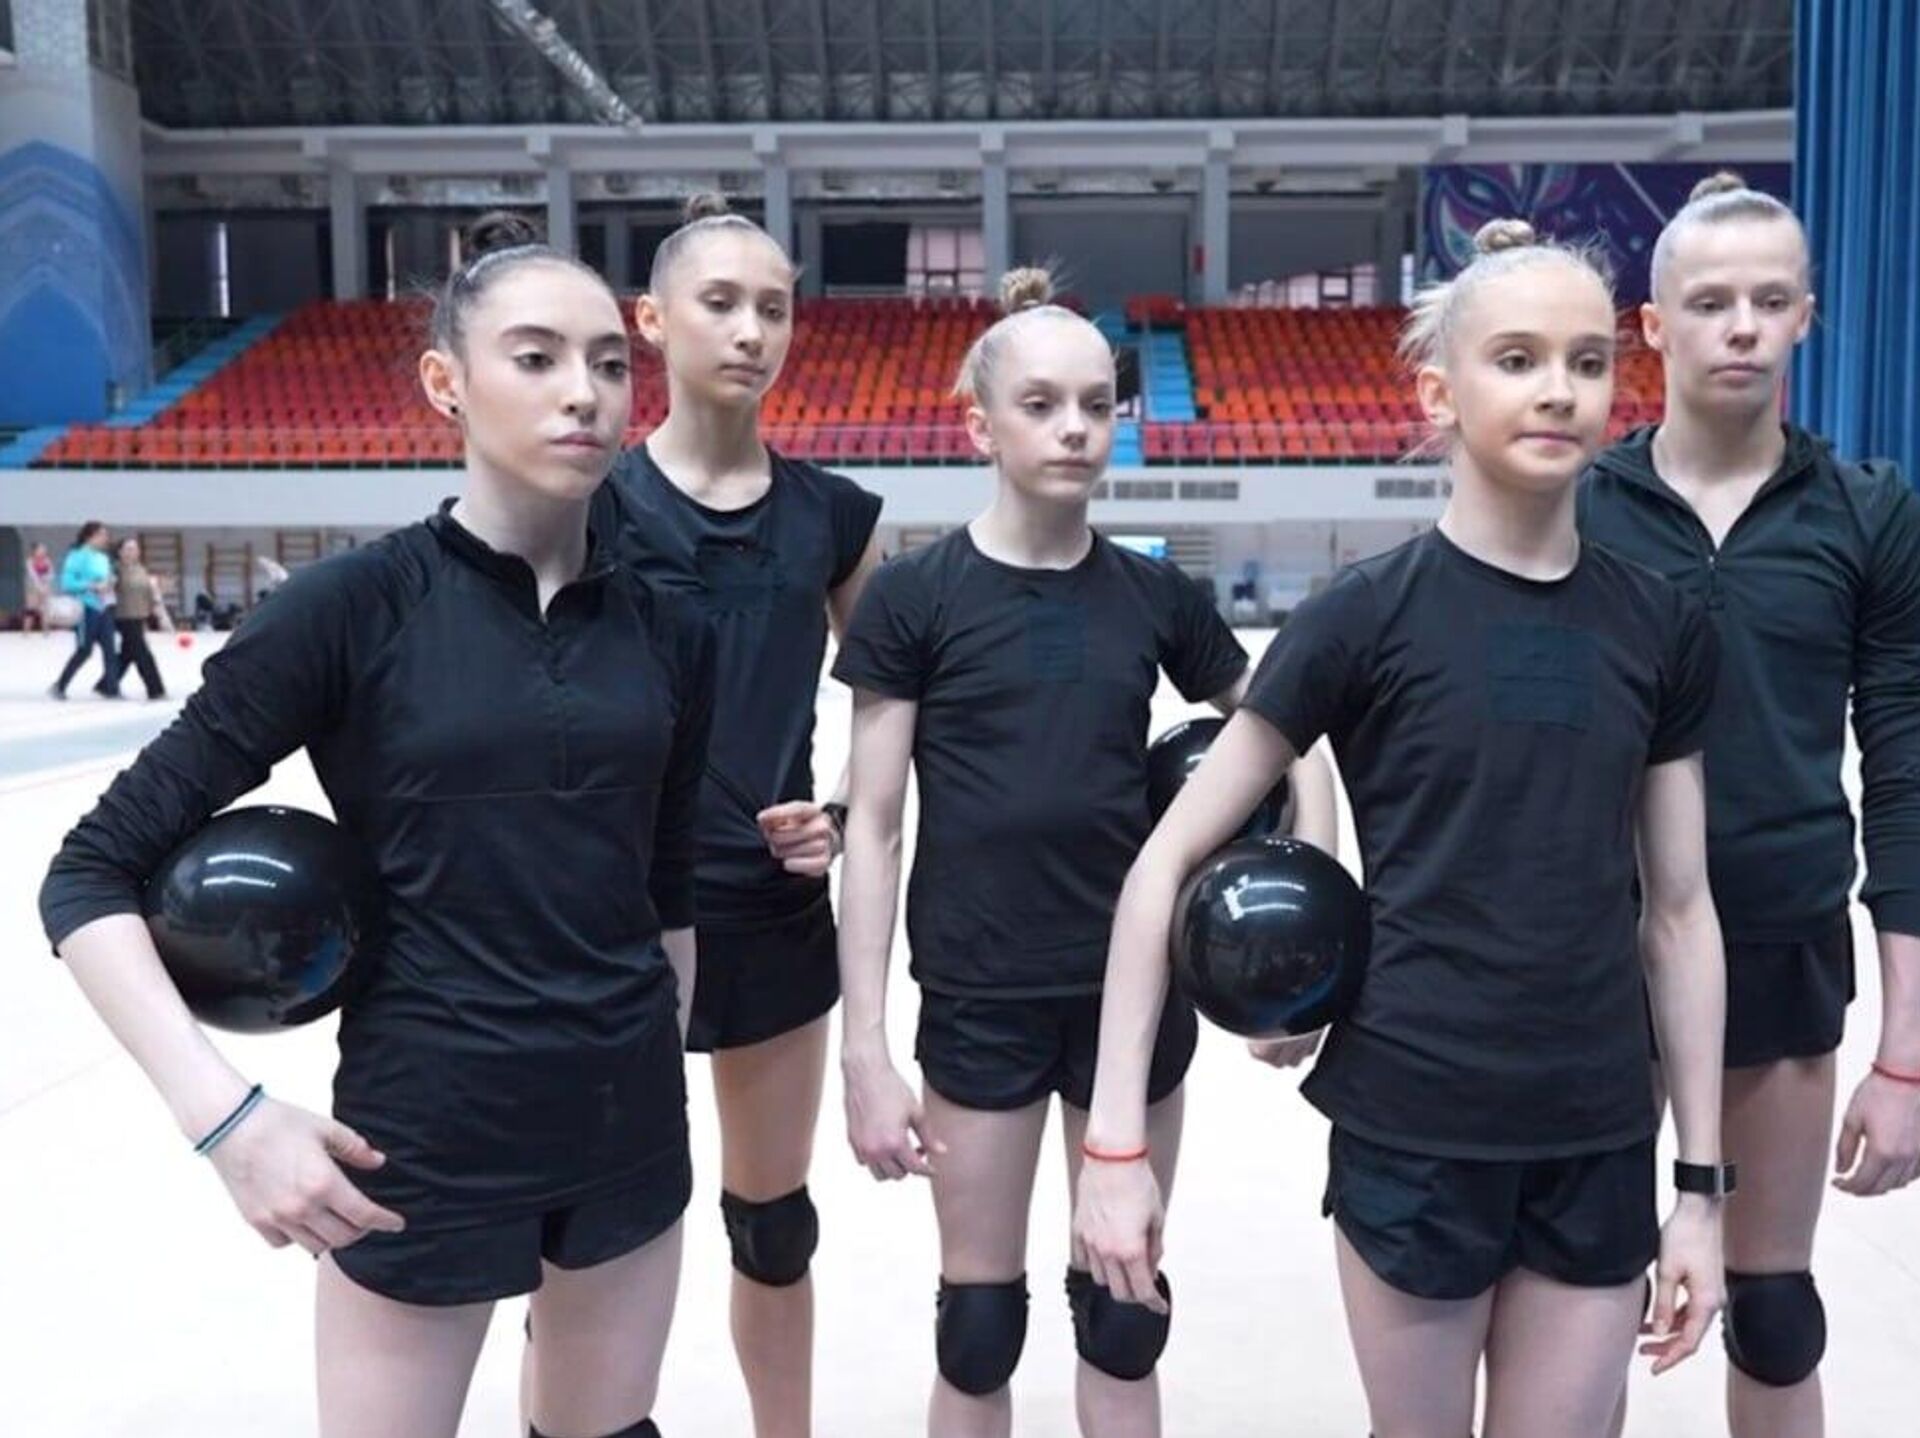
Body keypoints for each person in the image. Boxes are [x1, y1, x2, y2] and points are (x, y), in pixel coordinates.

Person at [38, 212, 713, 1438]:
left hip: (628, 1127)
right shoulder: (348, 609)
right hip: (424, 1135)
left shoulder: (672, 627)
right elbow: (90, 874)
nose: (585, 392)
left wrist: (655, 1065)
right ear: (446, 384)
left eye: (611, 362)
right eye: (537, 356)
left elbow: (666, 880)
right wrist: (226, 1120)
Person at [1074, 221, 1732, 1438]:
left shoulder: (1662, 624)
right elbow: (1165, 862)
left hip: (1596, 1126)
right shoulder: (1363, 616)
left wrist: (1700, 1186)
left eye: (1588, 361)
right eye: (1518, 359)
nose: (1559, 389)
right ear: (1439, 392)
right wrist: (1116, 1146)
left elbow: (1681, 915)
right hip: (1412, 1125)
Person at [832, 266, 1337, 1438]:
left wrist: (1309, 892)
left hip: (1134, 993)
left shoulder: (1156, 594)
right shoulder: (913, 598)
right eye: (1041, 404)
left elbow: (1287, 734)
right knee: (977, 1325)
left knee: (1124, 1311)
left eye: (1096, 404)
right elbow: (875, 823)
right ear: (980, 427)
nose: (1073, 428)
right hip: (980, 994)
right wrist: (864, 1045)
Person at [1581, 172, 1920, 1438]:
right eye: (1710, 301)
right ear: (1654, 325)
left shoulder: (1868, 514)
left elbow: (1904, 774)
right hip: (1596, 953)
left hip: (1781, 942)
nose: (1741, 326)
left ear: (1805, 320)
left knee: (1774, 1311)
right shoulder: (1584, 508)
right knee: (1583, 1306)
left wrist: (1905, 1052)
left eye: (1770, 301)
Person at [586, 192, 883, 1438]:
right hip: (608, 918)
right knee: (590, 1227)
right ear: (652, 320)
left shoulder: (835, 518)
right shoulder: (592, 500)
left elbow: (889, 715)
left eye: (774, 306)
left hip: (768, 907)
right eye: (721, 303)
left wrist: (842, 809)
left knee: (772, 1224)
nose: (753, 330)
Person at [49, 520, 119, 698]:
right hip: (87, 607)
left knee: (110, 650)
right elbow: (67, 583)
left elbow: (108, 578)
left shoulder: (103, 558)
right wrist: (92, 586)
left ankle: (112, 689)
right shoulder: (77, 556)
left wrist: (110, 582)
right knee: (84, 650)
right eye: (102, 535)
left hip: (105, 607)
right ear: (90, 536)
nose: (106, 538)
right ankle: (60, 685)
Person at [110, 535, 169, 700]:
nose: (133, 552)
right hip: (124, 616)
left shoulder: (140, 569)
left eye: (135, 549)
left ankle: (106, 684)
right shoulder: (116, 569)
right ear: (120, 552)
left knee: (127, 654)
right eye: (128, 549)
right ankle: (155, 689)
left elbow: (148, 592)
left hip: (139, 615)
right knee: (143, 654)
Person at [23, 540, 54, 633]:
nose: (43, 551)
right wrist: (39, 587)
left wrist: (45, 580)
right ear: (35, 551)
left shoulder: (47, 561)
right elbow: (32, 575)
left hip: (45, 586)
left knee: (45, 608)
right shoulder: (29, 561)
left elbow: (51, 574)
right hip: (33, 588)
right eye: (41, 549)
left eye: (44, 549)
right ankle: (26, 631)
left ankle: (46, 630)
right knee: (31, 609)